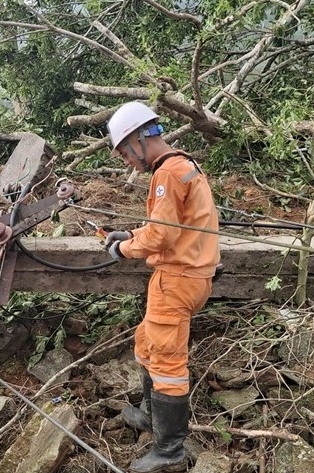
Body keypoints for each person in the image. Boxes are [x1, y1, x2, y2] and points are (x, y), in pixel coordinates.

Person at [104, 101, 221, 473]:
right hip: (190, 276)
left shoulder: (166, 174)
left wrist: (123, 247)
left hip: (178, 280)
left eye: (124, 151)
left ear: (140, 140)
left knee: (168, 362)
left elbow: (163, 233)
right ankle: (148, 413)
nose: (125, 160)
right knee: (148, 342)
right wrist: (134, 233)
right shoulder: (184, 165)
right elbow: (175, 225)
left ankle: (169, 449)